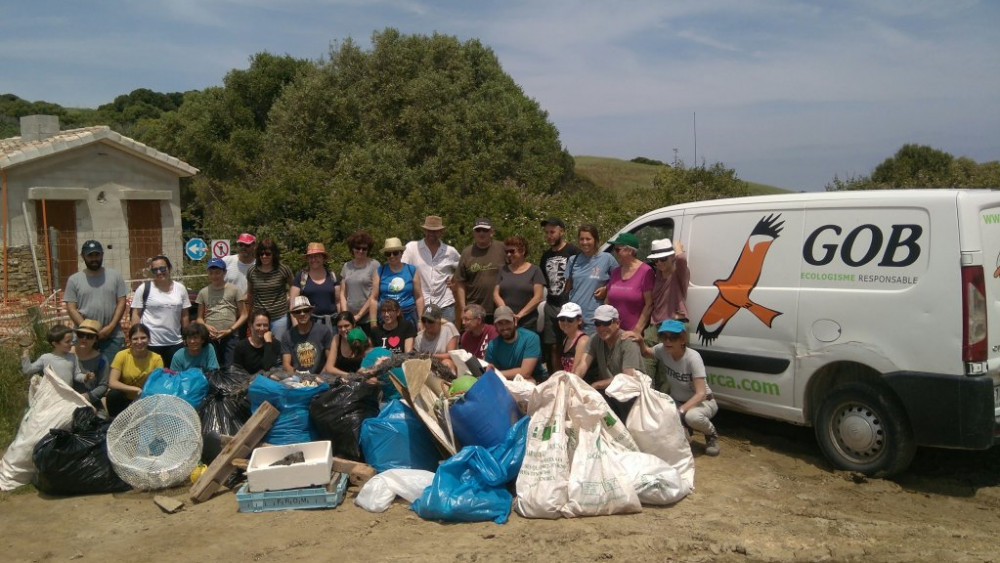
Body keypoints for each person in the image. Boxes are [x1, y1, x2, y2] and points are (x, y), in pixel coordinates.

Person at [636, 319, 720, 456]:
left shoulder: (693, 358)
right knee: (658, 414)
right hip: (677, 401)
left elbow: (701, 394)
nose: (668, 341)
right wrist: (640, 342)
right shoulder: (662, 350)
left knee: (692, 417)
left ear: (682, 339)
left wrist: (681, 411)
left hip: (703, 402)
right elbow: (646, 353)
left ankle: (711, 435)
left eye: (673, 337)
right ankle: (685, 430)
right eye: (663, 337)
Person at [573, 304, 644, 422]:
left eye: (606, 323)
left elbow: (628, 377)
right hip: (609, 392)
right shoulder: (595, 339)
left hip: (630, 395)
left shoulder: (628, 341)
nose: (601, 328)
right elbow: (583, 365)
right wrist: (572, 381)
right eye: (597, 324)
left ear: (617, 323)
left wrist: (597, 385)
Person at [63, 239, 128, 364]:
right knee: (84, 376)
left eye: (97, 255)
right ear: (83, 256)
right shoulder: (74, 280)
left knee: (111, 376)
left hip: (112, 336)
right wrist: (88, 330)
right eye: (90, 255)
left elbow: (121, 302)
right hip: (84, 337)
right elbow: (71, 307)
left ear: (102, 255)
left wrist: (110, 327)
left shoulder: (115, 276)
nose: (94, 259)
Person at [130, 254, 190, 369]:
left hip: (175, 343)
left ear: (169, 268)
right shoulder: (144, 289)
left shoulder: (180, 288)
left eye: (162, 268)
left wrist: (186, 336)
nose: (159, 272)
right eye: (155, 270)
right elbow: (136, 314)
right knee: (153, 379)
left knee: (174, 378)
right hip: (150, 344)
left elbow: (185, 315)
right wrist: (136, 338)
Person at [539, 217, 580, 374]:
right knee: (553, 345)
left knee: (571, 343)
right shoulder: (545, 256)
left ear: (561, 231)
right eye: (547, 233)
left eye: (553, 232)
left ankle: (574, 375)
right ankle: (556, 377)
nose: (550, 236)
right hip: (551, 304)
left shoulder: (573, 252)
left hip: (568, 304)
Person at [401, 215, 461, 322]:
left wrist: (454, 279)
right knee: (422, 337)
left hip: (445, 303)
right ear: (424, 230)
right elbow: (402, 270)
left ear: (441, 231)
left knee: (447, 335)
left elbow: (463, 267)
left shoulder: (450, 251)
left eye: (435, 231)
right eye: (429, 230)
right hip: (420, 304)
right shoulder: (412, 248)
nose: (431, 234)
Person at [454, 218, 507, 330]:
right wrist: (464, 308)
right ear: (474, 233)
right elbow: (460, 283)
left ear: (491, 232)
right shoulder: (467, 252)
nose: (481, 233)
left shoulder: (502, 248)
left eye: (485, 230)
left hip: (498, 307)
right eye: (478, 230)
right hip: (474, 309)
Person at [566, 224, 617, 336]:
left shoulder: (607, 259)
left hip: (595, 319)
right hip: (574, 318)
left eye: (588, 239)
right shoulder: (572, 260)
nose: (585, 242)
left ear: (596, 240)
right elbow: (568, 288)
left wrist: (606, 288)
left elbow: (619, 280)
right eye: (582, 239)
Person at [196, 257, 247, 368]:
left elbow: (244, 314)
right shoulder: (203, 292)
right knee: (213, 366)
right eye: (211, 273)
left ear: (224, 272)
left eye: (218, 272)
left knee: (230, 366)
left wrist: (230, 330)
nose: (214, 276)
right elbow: (199, 318)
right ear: (208, 274)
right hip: (210, 335)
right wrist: (206, 326)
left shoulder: (235, 290)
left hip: (230, 335)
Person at [107, 324, 164, 417]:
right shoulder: (122, 355)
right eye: (135, 339)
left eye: (143, 338)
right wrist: (135, 389)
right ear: (130, 341)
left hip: (145, 400)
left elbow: (157, 384)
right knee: (113, 394)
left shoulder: (156, 359)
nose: (139, 341)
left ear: (149, 339)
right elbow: (112, 382)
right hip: (125, 399)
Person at [246, 238, 294, 341]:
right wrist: (249, 315)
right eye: (261, 254)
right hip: (259, 317)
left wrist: (290, 298)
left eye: (267, 253)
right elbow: (250, 293)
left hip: (279, 316)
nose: (264, 256)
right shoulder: (252, 271)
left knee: (278, 347)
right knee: (258, 345)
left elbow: (294, 286)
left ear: (274, 254)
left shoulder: (283, 269)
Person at [606, 232, 655, 333]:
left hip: (632, 333)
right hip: (612, 332)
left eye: (617, 249)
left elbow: (649, 304)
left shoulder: (646, 271)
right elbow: (607, 300)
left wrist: (637, 330)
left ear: (629, 250)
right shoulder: (615, 272)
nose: (615, 253)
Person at [494, 235, 544, 332]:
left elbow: (538, 297)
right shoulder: (503, 270)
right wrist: (506, 313)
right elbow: (496, 294)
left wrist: (519, 315)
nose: (509, 254)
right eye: (506, 252)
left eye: (512, 251)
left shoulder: (535, 270)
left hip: (527, 322)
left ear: (522, 251)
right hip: (505, 323)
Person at [484, 305, 547, 383]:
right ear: (495, 326)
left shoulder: (531, 338)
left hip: (534, 380)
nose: (504, 327)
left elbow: (526, 373)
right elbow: (489, 372)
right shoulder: (492, 345)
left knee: (529, 381)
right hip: (507, 382)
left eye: (507, 322)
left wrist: (496, 373)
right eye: (500, 323)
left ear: (515, 321)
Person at [374, 237, 424, 326]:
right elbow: (373, 298)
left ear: (401, 253)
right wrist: (373, 321)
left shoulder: (412, 270)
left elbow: (419, 297)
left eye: (395, 253)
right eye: (388, 254)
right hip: (386, 317)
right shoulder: (379, 271)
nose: (392, 256)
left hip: (408, 315)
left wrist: (420, 320)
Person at [290, 242, 340, 327]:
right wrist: (296, 326)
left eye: (317, 256)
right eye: (311, 257)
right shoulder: (301, 277)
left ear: (323, 258)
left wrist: (342, 321)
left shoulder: (332, 276)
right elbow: (293, 303)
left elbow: (338, 302)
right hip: (309, 324)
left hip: (332, 323)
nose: (313, 259)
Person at [21, 324, 86, 387]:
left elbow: (76, 375)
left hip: (67, 395)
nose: (71, 343)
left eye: (71, 340)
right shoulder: (46, 358)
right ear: (55, 344)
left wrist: (85, 377)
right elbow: (28, 370)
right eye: (67, 341)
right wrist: (25, 354)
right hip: (50, 396)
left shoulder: (72, 357)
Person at [339, 230, 380, 330]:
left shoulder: (374, 265)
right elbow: (343, 293)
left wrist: (359, 315)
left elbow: (374, 294)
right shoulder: (346, 266)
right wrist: (346, 316)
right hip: (349, 320)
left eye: (364, 248)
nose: (361, 251)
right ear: (352, 248)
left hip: (368, 318)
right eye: (357, 248)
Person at [281, 296, 332, 374]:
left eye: (305, 310)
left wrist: (321, 376)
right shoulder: (287, 336)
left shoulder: (324, 331)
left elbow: (330, 360)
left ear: (311, 311)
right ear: (293, 314)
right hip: (297, 378)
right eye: (298, 311)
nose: (302, 314)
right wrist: (299, 377)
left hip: (321, 376)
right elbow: (286, 364)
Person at [648, 238, 690, 328]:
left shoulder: (679, 275)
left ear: (672, 256)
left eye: (663, 259)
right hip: (656, 323)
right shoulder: (658, 274)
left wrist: (677, 246)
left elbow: (681, 259)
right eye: (655, 260)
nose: (659, 263)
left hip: (674, 323)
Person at [72, 319, 110, 408]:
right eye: (81, 335)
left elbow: (103, 385)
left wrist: (87, 397)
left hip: (90, 401)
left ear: (96, 339)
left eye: (89, 336)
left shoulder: (101, 360)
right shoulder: (67, 354)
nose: (84, 339)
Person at [321, 312, 372, 377]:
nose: (343, 329)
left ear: (353, 324)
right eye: (339, 327)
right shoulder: (336, 339)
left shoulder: (362, 337)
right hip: (342, 379)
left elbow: (370, 363)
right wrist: (350, 376)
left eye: (346, 326)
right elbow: (329, 368)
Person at [232, 309, 282, 374]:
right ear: (250, 325)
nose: (262, 328)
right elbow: (237, 372)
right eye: (258, 325)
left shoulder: (276, 344)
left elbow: (268, 368)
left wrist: (268, 344)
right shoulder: (241, 346)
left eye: (265, 325)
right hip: (248, 382)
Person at [413, 304, 460, 372]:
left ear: (439, 320)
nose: (426, 324)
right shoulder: (419, 338)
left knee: (447, 363)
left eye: (430, 321)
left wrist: (430, 356)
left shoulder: (448, 329)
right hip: (427, 369)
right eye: (424, 320)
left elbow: (451, 355)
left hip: (445, 366)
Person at [556, 302, 593, 378]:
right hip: (568, 380)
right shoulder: (566, 339)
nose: (565, 323)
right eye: (562, 319)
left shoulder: (583, 341)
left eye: (570, 319)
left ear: (579, 321)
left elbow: (576, 371)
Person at [224, 232, 256, 297]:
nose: (243, 247)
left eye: (247, 245)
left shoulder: (259, 265)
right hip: (229, 305)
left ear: (254, 246)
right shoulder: (226, 261)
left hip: (250, 305)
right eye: (241, 244)